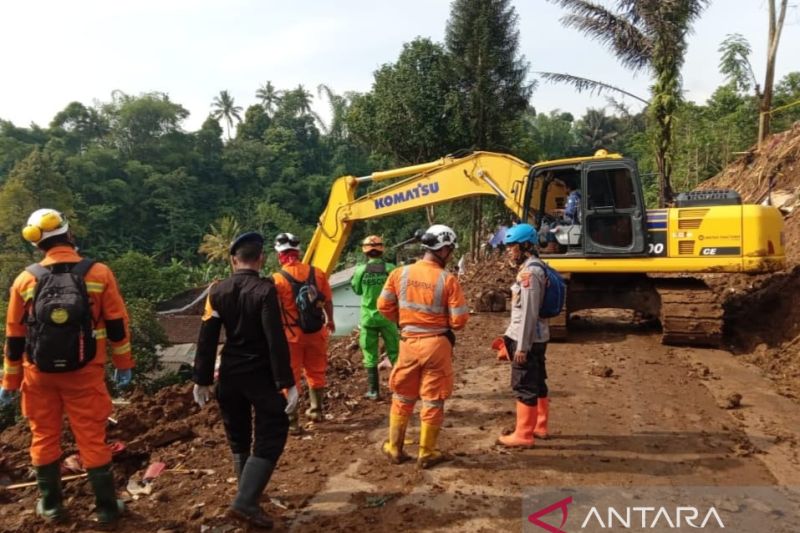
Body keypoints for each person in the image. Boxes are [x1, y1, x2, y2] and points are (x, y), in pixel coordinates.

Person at [0, 208, 133, 525]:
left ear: (36, 244)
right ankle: (105, 509)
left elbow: (15, 335)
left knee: (43, 436)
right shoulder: (98, 274)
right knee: (91, 437)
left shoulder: (25, 279)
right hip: (85, 372)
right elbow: (117, 324)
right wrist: (123, 363)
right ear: (69, 234)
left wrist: (9, 381)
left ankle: (51, 506)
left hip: (38, 375)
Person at [193, 231, 297, 529]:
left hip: (229, 374)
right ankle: (246, 501)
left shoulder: (217, 291)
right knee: (273, 429)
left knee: (238, 433)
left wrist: (201, 379)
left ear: (232, 260)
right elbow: (274, 340)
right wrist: (286, 383)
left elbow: (207, 338)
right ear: (261, 258)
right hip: (259, 375)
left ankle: (247, 493)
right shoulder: (266, 291)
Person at [377, 224, 470, 469]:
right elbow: (459, 321)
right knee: (433, 400)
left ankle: (394, 448)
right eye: (450, 250)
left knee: (403, 396)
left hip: (408, 342)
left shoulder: (400, 274)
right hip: (437, 345)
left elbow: (383, 306)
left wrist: (405, 321)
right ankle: (426, 453)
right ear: (445, 249)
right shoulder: (448, 279)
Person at [272, 233, 334, 432]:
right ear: (298, 252)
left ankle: (292, 421)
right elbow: (328, 300)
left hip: (291, 336)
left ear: (279, 255)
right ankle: (316, 410)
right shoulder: (317, 273)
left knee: (291, 377)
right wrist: (330, 320)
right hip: (316, 332)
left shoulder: (277, 280)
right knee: (316, 371)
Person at [496, 223, 551, 448]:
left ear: (526, 246)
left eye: (513, 246)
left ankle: (524, 435)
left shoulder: (530, 272)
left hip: (527, 339)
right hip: (536, 337)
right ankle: (540, 426)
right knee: (537, 382)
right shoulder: (536, 267)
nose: (509, 250)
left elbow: (529, 312)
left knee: (524, 385)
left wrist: (522, 347)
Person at [351, 235, 399, 400]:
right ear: (382, 249)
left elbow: (357, 290)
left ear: (365, 251)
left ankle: (373, 391)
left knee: (370, 355)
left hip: (368, 318)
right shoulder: (391, 268)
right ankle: (399, 389)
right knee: (395, 352)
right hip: (388, 317)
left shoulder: (360, 271)